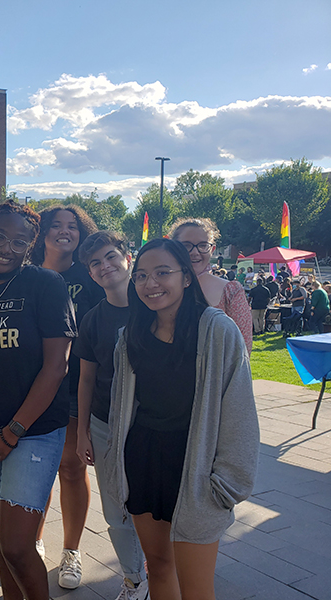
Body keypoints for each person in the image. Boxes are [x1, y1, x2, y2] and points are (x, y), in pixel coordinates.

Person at [104, 238, 259, 599]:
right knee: (158, 568)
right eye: (141, 275)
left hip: (196, 465)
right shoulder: (131, 337)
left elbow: (239, 407)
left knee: (196, 586)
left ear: (186, 278)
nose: (150, 283)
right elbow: (121, 407)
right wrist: (116, 462)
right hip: (143, 459)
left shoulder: (217, 330)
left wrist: (229, 481)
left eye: (162, 273)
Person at [0, 201, 76, 600]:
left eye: (19, 241)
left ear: (30, 246)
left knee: (19, 546)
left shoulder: (46, 285)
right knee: (5, 542)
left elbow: (56, 367)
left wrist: (13, 430)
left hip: (32, 432)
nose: (6, 247)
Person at [73, 232, 149, 600]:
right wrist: (82, 431)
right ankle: (134, 578)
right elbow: (86, 378)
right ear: (90, 273)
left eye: (110, 257)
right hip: (104, 424)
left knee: (157, 502)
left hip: (154, 424)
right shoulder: (91, 320)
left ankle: (164, 566)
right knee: (115, 508)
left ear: (127, 257)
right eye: (95, 263)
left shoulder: (155, 304)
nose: (105, 267)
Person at [30, 204, 102, 586]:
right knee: (36, 469)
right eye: (55, 224)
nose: (64, 231)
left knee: (71, 469)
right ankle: (34, 540)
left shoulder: (88, 274)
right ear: (40, 231)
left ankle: (71, 552)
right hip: (29, 386)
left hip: (75, 387)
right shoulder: (25, 274)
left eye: (72, 226)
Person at [170, 218, 253, 354]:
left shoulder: (231, 291)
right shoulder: (159, 286)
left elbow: (242, 348)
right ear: (173, 247)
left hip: (214, 373)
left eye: (203, 245)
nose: (195, 252)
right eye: (186, 245)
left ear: (212, 249)